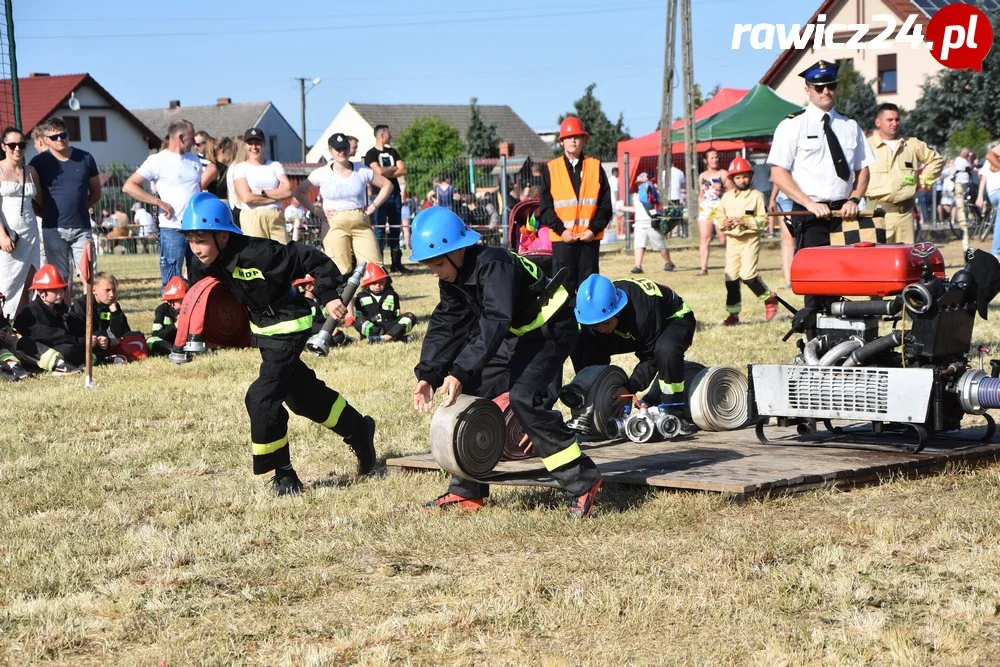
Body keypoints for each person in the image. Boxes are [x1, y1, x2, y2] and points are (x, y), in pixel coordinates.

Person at [411, 207, 603, 518]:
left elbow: (494, 322)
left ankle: (582, 483)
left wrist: (459, 370)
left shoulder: (494, 265)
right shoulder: (454, 277)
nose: (433, 271)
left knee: (525, 400)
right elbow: (447, 323)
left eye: (435, 263)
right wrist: (429, 375)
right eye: (428, 265)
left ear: (457, 250)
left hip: (551, 330)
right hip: (518, 332)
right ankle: (467, 491)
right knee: (470, 391)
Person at [180, 192, 376, 494]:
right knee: (302, 396)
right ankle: (358, 429)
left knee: (261, 398)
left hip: (290, 326)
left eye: (201, 240)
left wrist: (329, 295)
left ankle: (284, 475)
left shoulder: (259, 253)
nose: (196, 249)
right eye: (191, 241)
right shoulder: (203, 262)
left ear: (222, 235)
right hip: (264, 332)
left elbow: (311, 258)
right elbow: (206, 301)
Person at [767, 59, 875, 314]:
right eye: (819, 87)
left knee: (845, 274)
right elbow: (778, 173)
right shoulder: (792, 124)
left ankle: (841, 326)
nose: (826, 91)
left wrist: (855, 199)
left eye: (831, 86)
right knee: (815, 278)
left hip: (845, 213)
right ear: (808, 90)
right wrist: (809, 203)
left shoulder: (850, 125)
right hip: (809, 214)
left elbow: (863, 169)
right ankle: (816, 333)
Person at [573, 273, 697, 435]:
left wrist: (629, 388)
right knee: (581, 343)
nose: (601, 329)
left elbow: (650, 357)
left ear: (617, 309)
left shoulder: (642, 314)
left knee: (666, 350)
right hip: (626, 327)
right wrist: (596, 393)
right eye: (595, 325)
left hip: (672, 319)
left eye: (605, 322)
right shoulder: (590, 315)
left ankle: (674, 413)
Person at [295, 133, 390, 275]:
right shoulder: (321, 173)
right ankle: (343, 298)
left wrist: (373, 206)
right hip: (334, 223)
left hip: (360, 221)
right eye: (337, 149)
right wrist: (316, 211)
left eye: (344, 148)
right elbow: (299, 192)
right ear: (330, 150)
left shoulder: (362, 170)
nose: (341, 152)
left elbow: (387, 185)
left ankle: (372, 296)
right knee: (339, 269)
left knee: (374, 267)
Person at [123, 118, 203, 286]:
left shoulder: (195, 161)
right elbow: (129, 186)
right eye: (192, 137)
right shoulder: (157, 161)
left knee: (200, 275)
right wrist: (158, 202)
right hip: (173, 229)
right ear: (180, 137)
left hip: (197, 227)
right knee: (172, 279)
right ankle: (172, 312)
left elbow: (198, 189)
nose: (194, 141)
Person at [538, 116, 612, 294]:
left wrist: (593, 230)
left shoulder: (595, 167)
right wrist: (562, 231)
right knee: (563, 291)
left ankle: (588, 322)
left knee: (589, 290)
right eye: (569, 137)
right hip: (563, 241)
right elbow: (546, 208)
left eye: (577, 136)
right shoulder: (550, 169)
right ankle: (566, 323)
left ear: (584, 140)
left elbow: (605, 205)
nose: (573, 140)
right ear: (561, 141)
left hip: (589, 240)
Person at [28, 117, 101, 299]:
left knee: (88, 276)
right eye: (54, 137)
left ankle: (87, 316)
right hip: (53, 229)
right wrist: (46, 214)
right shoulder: (38, 162)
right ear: (45, 140)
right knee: (60, 279)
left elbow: (96, 192)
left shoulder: (85, 158)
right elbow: (32, 195)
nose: (59, 139)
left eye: (63, 135)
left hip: (82, 227)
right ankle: (66, 317)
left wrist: (81, 209)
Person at [712, 157, 778, 325]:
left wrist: (745, 221)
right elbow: (719, 217)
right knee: (731, 278)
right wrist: (723, 223)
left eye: (745, 176)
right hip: (732, 241)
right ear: (732, 179)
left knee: (748, 275)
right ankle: (733, 314)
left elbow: (763, 221)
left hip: (750, 239)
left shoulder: (757, 196)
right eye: (738, 177)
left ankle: (769, 298)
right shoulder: (726, 197)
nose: (742, 180)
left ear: (751, 176)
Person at [865, 103, 943, 244]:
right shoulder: (866, 146)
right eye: (890, 120)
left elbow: (937, 160)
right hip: (877, 216)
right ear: (878, 122)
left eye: (897, 119)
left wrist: (922, 181)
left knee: (904, 260)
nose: (894, 123)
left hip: (905, 216)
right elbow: (853, 173)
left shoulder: (911, 144)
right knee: (878, 261)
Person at [14, 264, 93, 368]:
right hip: (39, 351)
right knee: (68, 351)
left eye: (62, 289)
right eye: (55, 290)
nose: (60, 294)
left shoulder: (59, 308)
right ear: (41, 292)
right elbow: (49, 334)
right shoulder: (30, 312)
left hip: (60, 345)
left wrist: (87, 338)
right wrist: (78, 340)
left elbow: (73, 326)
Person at [0, 127, 43, 318]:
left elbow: (40, 202)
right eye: (12, 145)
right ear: (4, 146)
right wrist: (1, 236)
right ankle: (4, 325)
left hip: (31, 233)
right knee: (7, 282)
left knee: (29, 282)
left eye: (21, 145)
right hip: (9, 235)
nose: (17, 149)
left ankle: (23, 324)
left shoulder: (31, 171)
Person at [231, 128, 293, 244]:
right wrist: (277, 195)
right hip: (252, 216)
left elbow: (288, 191)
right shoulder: (240, 168)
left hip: (275, 215)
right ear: (245, 146)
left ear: (264, 145)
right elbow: (247, 198)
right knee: (257, 256)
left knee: (283, 253)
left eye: (258, 143)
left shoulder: (275, 165)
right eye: (250, 143)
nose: (254, 147)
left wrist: (262, 192)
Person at [364, 125, 409, 273]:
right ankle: (379, 265)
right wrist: (392, 169)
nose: (391, 135)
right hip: (379, 195)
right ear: (382, 135)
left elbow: (403, 169)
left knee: (396, 229)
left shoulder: (393, 152)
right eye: (389, 133)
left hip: (395, 195)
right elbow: (378, 171)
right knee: (379, 230)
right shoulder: (370, 154)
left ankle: (397, 263)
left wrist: (385, 172)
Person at [622, 173, 673, 274]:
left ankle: (669, 263)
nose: (640, 185)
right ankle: (638, 266)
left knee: (660, 245)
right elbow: (637, 209)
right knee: (638, 245)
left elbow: (658, 205)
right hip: (639, 223)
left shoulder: (654, 191)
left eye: (641, 182)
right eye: (639, 183)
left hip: (652, 222)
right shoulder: (637, 196)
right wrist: (623, 208)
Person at [352, 263, 415, 343]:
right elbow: (359, 316)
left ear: (386, 281)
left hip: (390, 326)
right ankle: (396, 338)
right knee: (358, 321)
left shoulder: (392, 294)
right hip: (373, 327)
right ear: (367, 284)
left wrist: (401, 317)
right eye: (374, 283)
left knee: (410, 317)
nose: (378, 285)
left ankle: (386, 338)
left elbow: (396, 314)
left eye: (381, 282)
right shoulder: (361, 297)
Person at [70, 272, 132, 350]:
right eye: (107, 290)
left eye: (114, 290)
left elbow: (123, 333)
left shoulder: (111, 305)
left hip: (104, 342)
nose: (112, 294)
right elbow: (80, 330)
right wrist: (105, 337)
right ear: (93, 290)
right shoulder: (82, 305)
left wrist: (114, 311)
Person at [294, 274, 355, 345]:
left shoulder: (321, 299)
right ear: (309, 287)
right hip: (310, 334)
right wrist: (325, 329)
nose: (321, 287)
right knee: (330, 340)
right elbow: (306, 325)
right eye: (318, 285)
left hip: (323, 331)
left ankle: (346, 339)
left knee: (338, 336)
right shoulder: (302, 303)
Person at [696, 148, 729, 276]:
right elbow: (701, 193)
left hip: (720, 206)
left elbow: (731, 192)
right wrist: (700, 205)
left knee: (723, 238)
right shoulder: (702, 176)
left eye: (716, 157)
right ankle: (703, 268)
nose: (715, 160)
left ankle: (732, 264)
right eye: (712, 158)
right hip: (706, 208)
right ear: (706, 160)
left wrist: (722, 192)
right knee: (705, 238)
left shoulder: (723, 174)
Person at [146, 275, 187, 356]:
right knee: (150, 341)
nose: (184, 305)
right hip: (166, 342)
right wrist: (175, 326)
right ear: (170, 302)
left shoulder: (189, 310)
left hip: (183, 343)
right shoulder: (162, 310)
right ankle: (172, 351)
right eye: (181, 303)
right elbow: (156, 334)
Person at [953, 148, 972, 250]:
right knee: (960, 204)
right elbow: (969, 168)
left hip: (964, 182)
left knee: (964, 201)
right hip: (960, 181)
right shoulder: (960, 160)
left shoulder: (961, 160)